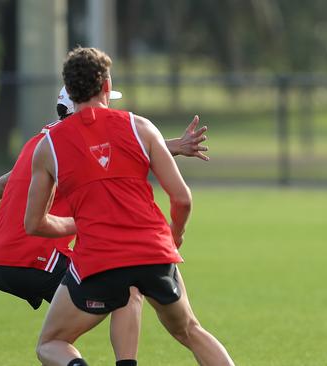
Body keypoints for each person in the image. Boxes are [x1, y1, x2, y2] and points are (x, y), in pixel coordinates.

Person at [24, 46, 234, 366]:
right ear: (107, 86)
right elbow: (182, 198)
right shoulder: (141, 127)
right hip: (153, 251)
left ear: (69, 88)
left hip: (98, 260)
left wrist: (80, 225)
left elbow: (34, 224)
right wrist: (173, 238)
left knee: (52, 342)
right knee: (190, 330)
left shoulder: (48, 146)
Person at [0, 85, 211, 365]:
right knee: (126, 288)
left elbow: (6, 181)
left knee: (64, 331)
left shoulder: (41, 143)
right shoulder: (70, 143)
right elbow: (119, 157)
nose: (106, 110)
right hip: (31, 255)